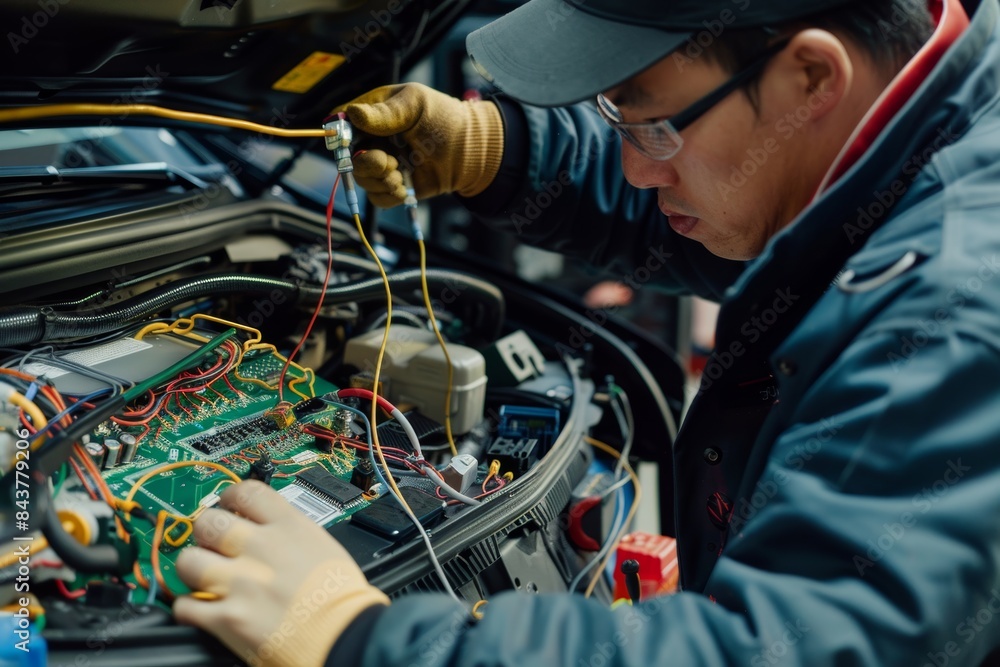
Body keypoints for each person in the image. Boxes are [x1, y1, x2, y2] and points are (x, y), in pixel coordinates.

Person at [172, 0, 1000, 664]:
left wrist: (361, 638)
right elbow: (734, 204)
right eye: (618, 118)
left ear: (814, 77)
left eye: (654, 125)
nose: (640, 168)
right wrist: (493, 151)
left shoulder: (955, 309)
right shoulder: (916, 133)